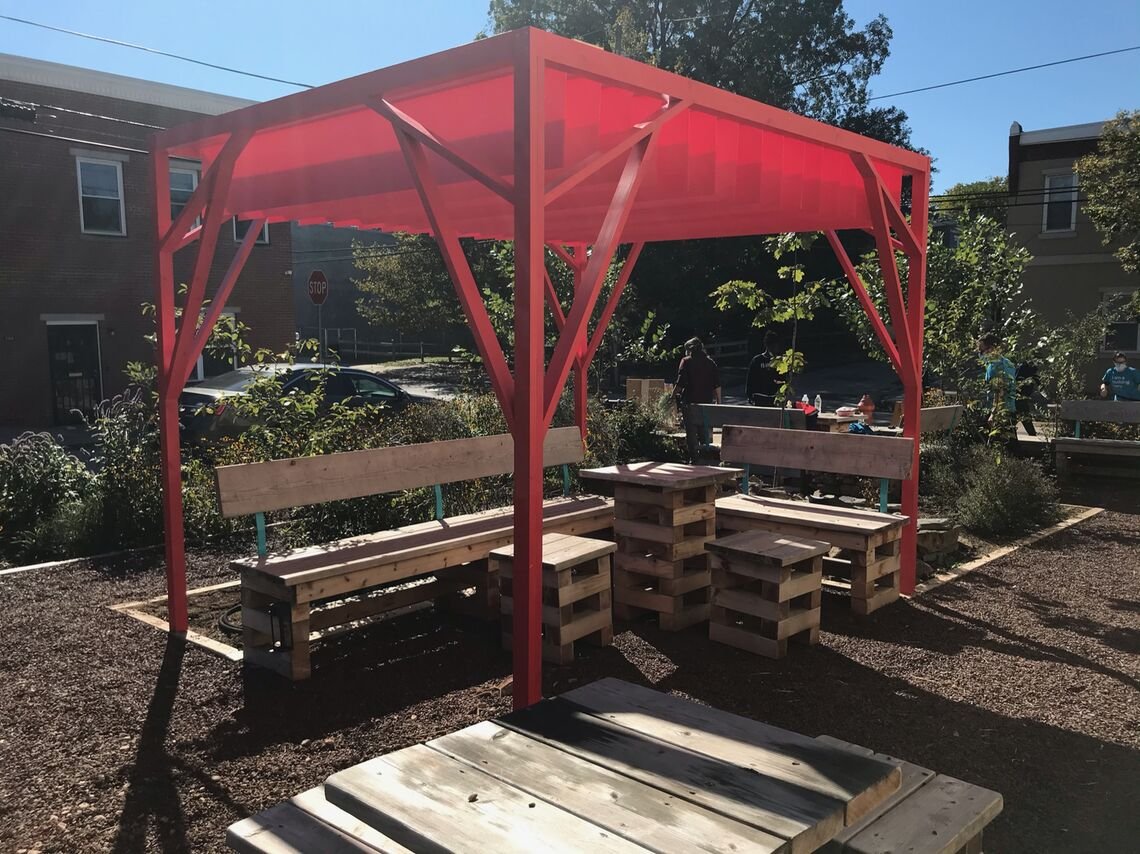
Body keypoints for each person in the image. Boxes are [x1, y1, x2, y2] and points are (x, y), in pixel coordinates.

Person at [674, 337, 721, 463]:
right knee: (704, 429)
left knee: (691, 431)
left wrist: (672, 396)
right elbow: (717, 385)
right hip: (706, 402)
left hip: (690, 402)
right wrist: (718, 401)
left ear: (689, 350)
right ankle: (706, 456)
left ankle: (694, 458)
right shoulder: (710, 363)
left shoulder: (686, 362)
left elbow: (680, 383)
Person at [978, 333, 1017, 432]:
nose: (980, 353)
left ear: (991, 348)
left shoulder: (994, 366)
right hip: (1010, 409)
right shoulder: (1008, 363)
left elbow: (999, 390)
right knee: (1011, 443)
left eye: (981, 350)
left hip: (998, 412)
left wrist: (993, 414)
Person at [745, 331, 780, 407]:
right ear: (768, 346)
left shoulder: (779, 361)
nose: (776, 348)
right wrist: (750, 395)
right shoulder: (757, 360)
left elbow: (782, 379)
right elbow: (750, 379)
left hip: (775, 397)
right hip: (760, 397)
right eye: (774, 346)